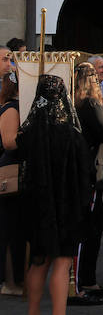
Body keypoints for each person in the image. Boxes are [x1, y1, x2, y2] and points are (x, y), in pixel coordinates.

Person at [18, 75, 93, 315]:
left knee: (38, 261)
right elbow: (86, 173)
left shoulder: (28, 133)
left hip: (38, 205)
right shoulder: (72, 135)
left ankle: (33, 311)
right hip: (68, 206)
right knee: (62, 264)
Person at [73, 61, 103, 296]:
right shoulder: (90, 103)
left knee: (92, 224)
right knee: (91, 226)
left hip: (84, 168)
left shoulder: (75, 102)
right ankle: (85, 279)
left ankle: (85, 278)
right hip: (92, 170)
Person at [0, 73, 24, 297]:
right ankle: (10, 282)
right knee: (10, 232)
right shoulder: (11, 108)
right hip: (11, 174)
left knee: (15, 231)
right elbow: (9, 142)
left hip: (17, 172)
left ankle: (15, 280)